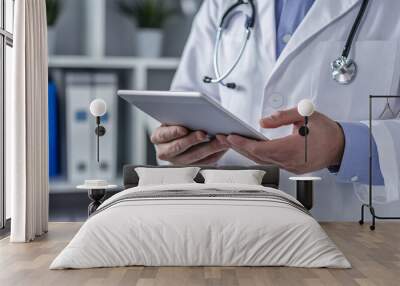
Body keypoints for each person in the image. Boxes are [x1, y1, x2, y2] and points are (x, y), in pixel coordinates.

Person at [150, 0, 400, 219]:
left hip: (356, 232)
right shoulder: (220, 4)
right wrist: (180, 145)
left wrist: (342, 146)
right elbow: (188, 101)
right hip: (229, 224)